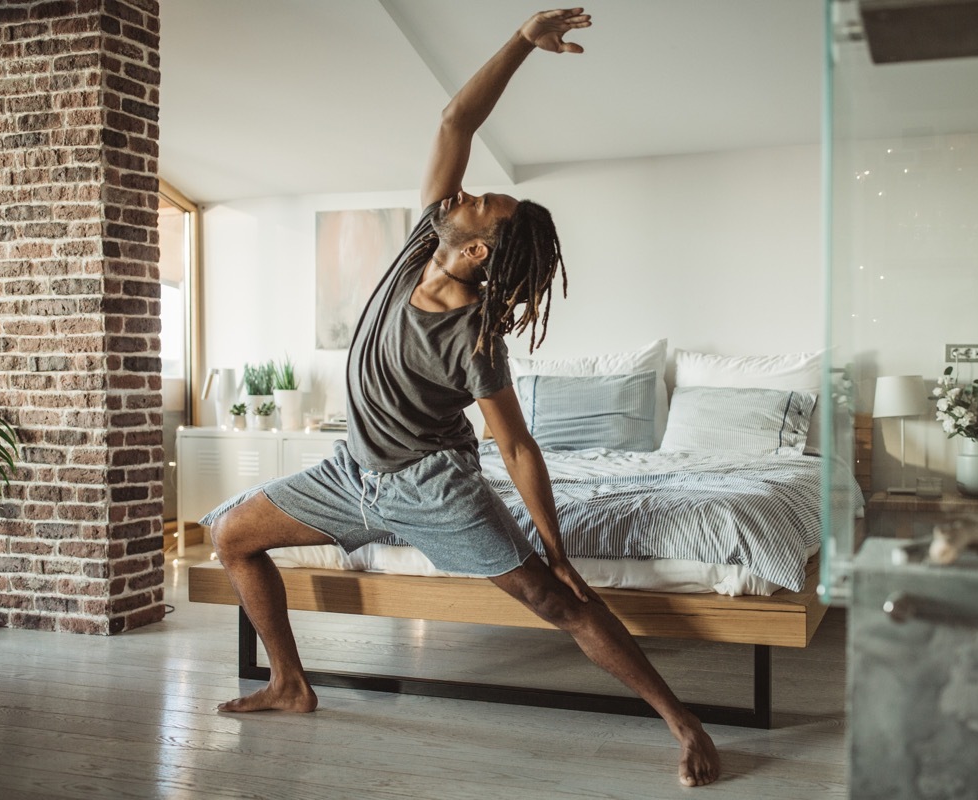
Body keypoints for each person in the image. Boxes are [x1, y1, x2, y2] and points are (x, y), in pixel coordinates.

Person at [202, 8, 720, 788]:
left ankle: (685, 725)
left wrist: (556, 545)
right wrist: (521, 42)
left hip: (433, 488)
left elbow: (515, 446)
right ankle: (289, 683)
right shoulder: (421, 241)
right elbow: (457, 118)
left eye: (485, 206)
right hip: (352, 471)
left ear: (477, 249)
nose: (472, 193)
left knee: (559, 602)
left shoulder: (475, 338)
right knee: (232, 535)